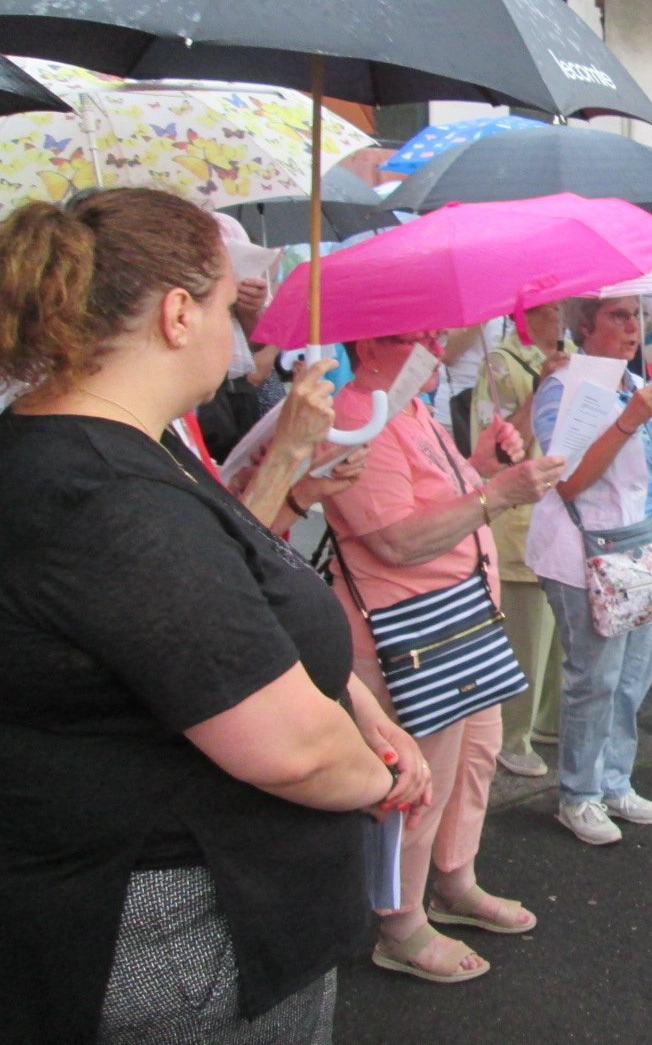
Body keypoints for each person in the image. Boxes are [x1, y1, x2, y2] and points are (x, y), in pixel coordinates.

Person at [0, 189, 430, 1043]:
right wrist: (381, 778)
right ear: (177, 314)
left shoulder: (123, 442)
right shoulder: (103, 496)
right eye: (230, 304)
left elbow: (234, 599)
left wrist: (360, 708)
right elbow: (291, 748)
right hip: (182, 934)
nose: (240, 333)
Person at [324, 329, 563, 983]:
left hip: (459, 626)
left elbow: (440, 502)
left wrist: (480, 465)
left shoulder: (409, 408)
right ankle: (400, 923)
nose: (434, 345)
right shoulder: (359, 416)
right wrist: (497, 493)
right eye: (416, 336)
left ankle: (454, 882)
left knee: (476, 757)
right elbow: (397, 540)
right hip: (412, 638)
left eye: (434, 334)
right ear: (370, 346)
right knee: (419, 782)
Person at [526, 296, 652, 845]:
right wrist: (630, 422)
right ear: (585, 326)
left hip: (644, 551)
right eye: (618, 316)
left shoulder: (632, 382)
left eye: (636, 316)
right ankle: (578, 795)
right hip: (584, 556)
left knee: (632, 679)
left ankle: (613, 782)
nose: (634, 327)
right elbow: (566, 481)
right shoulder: (563, 387)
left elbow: (646, 469)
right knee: (595, 680)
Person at [472, 303, 571, 777]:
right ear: (526, 314)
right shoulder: (500, 361)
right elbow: (493, 450)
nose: (563, 315)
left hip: (566, 511)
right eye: (554, 308)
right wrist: (540, 390)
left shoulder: (576, 354)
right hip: (521, 518)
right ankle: (512, 737)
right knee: (525, 638)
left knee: (561, 637)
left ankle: (550, 720)